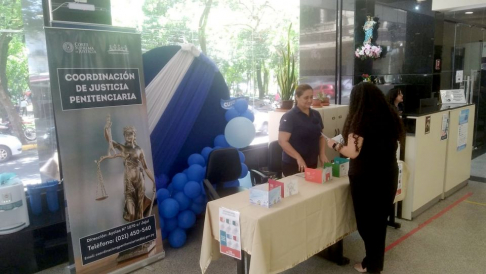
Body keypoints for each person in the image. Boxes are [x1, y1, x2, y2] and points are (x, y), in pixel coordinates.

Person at [327, 82, 404, 274]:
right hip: (388, 175)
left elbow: (352, 153)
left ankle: (372, 265)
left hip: (367, 179)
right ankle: (372, 263)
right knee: (379, 223)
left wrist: (334, 145)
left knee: (367, 225)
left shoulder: (360, 120)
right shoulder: (390, 116)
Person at [278, 84, 329, 177]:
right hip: (294, 164)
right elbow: (282, 141)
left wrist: (322, 154)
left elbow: (321, 137)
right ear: (297, 97)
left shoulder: (316, 114)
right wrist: (298, 157)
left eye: (311, 97)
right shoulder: (289, 117)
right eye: (306, 98)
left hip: (312, 162)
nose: (309, 100)